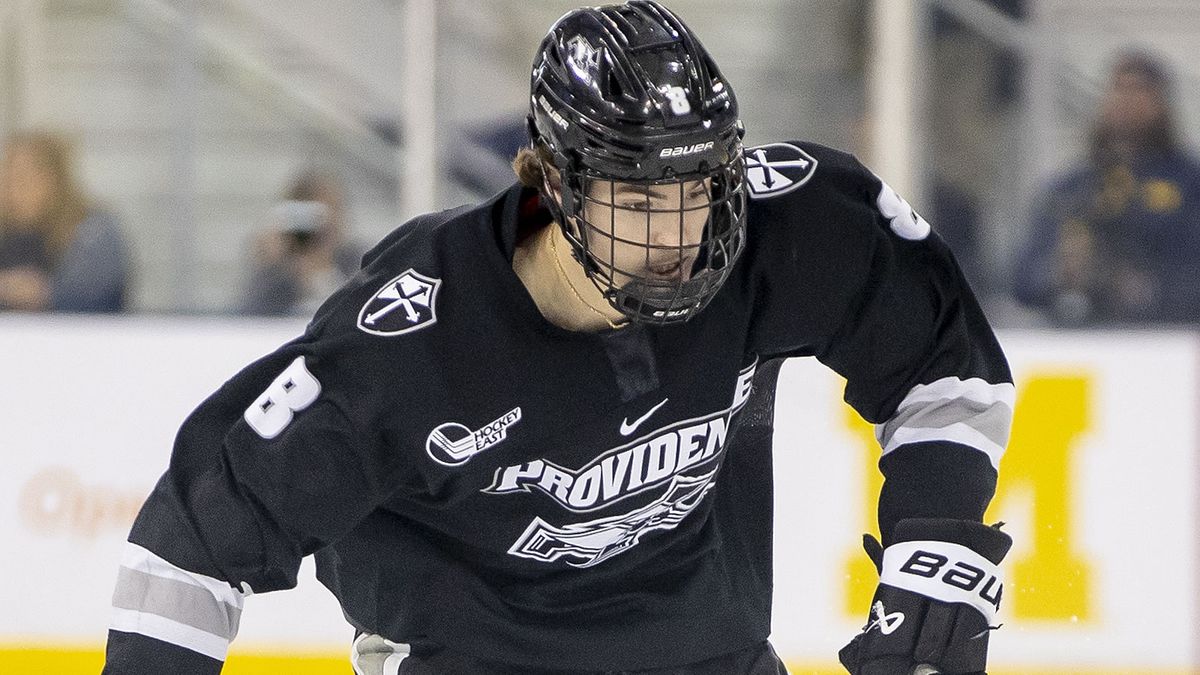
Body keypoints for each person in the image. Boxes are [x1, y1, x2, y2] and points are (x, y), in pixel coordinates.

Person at [103, 2, 1013, 674]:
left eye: (699, 188)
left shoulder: (786, 231)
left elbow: (941, 359)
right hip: (465, 657)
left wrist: (935, 539)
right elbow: (196, 534)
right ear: (555, 184)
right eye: (643, 198)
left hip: (704, 650)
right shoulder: (411, 337)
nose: (680, 232)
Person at [1013, 50, 1200, 325]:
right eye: (1119, 90)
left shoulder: (1189, 184)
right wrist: (1060, 274)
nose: (1127, 102)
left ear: (1161, 103)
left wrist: (1145, 289)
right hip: (1085, 341)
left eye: (1140, 91)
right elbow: (1022, 279)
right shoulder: (1071, 188)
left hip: (1169, 341)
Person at [0, 131, 129, 312]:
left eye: (22, 179)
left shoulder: (94, 231)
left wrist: (39, 291)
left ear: (55, 180)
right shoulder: (11, 232)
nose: (12, 190)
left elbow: (85, 294)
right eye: (7, 178)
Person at [240, 169, 362, 316]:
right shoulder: (273, 268)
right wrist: (278, 266)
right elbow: (251, 315)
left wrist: (324, 271)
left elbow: (360, 313)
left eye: (328, 211)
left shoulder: (355, 260)